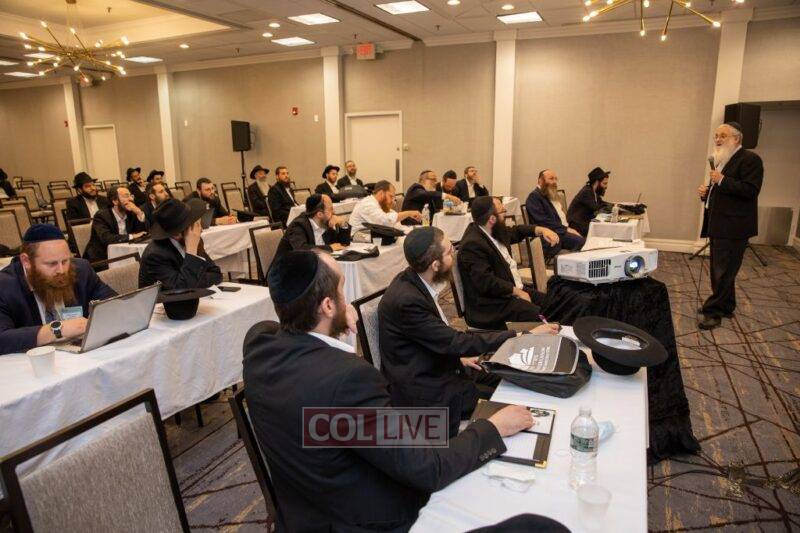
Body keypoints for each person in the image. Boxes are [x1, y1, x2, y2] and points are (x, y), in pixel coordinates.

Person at [243, 249, 534, 531]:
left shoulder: (257, 347)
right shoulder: (348, 378)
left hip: (307, 502)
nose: (348, 303)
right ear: (328, 306)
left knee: (437, 426)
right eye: (343, 290)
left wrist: (335, 320)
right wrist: (492, 428)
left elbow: (267, 329)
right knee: (520, 514)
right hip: (369, 518)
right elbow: (428, 470)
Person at [379, 227, 559, 436]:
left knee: (517, 378)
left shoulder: (414, 279)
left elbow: (433, 338)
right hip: (428, 391)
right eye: (449, 251)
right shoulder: (407, 301)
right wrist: (523, 336)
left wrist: (459, 357)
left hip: (444, 364)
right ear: (435, 265)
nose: (455, 254)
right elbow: (456, 341)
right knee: (515, 403)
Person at [0, 224, 116, 355]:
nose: (61, 270)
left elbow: (114, 304)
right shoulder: (5, 286)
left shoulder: (81, 270)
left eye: (65, 261)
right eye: (51, 264)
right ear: (26, 261)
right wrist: (57, 330)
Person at [697, 122, 764, 330]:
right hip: (719, 224)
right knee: (724, 269)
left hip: (734, 227)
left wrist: (722, 180)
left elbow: (751, 190)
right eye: (716, 136)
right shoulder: (722, 160)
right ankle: (726, 305)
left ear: (736, 139)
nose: (717, 139)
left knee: (722, 271)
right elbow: (722, 192)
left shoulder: (750, 159)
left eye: (723, 136)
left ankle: (713, 311)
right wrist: (706, 193)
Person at [459, 196, 559, 329]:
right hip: (489, 306)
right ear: (492, 219)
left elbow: (517, 231)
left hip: (508, 292)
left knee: (554, 304)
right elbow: (486, 282)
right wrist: (517, 292)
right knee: (540, 314)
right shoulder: (473, 244)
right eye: (503, 211)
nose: (505, 214)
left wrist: (541, 230)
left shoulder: (491, 230)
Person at [138, 198, 223, 290]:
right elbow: (183, 289)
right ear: (177, 233)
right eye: (193, 225)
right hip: (162, 299)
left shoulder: (189, 239)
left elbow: (216, 274)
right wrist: (191, 252)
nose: (200, 229)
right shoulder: (155, 255)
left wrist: (193, 281)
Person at [273, 194, 349, 265]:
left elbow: (342, 244)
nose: (333, 212)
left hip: (313, 266)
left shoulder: (325, 223)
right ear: (320, 214)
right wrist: (329, 248)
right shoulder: (298, 225)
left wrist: (343, 224)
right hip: (288, 270)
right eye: (331, 209)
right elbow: (301, 249)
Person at [525, 169, 585, 257]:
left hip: (559, 231)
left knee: (584, 241)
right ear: (540, 180)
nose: (554, 182)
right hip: (548, 234)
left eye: (555, 179)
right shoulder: (534, 197)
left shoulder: (549, 195)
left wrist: (568, 229)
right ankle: (568, 262)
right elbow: (542, 221)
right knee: (581, 242)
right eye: (551, 179)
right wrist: (566, 229)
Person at [83, 184, 148, 263]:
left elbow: (143, 233)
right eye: (126, 196)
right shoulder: (101, 216)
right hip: (102, 258)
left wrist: (139, 213)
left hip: (126, 253)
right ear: (115, 201)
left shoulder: (131, 213)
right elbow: (107, 238)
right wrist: (131, 236)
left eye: (131, 196)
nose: (131, 199)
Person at [348, 180, 421, 233]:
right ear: (381, 193)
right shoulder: (367, 204)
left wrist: (413, 229)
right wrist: (409, 213)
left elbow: (396, 225)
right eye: (391, 196)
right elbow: (385, 221)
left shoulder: (380, 205)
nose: (392, 201)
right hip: (359, 243)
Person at [567, 167, 612, 238]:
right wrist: (613, 208)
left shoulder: (593, 191)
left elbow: (602, 203)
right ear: (597, 182)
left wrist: (617, 206)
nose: (606, 186)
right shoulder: (586, 192)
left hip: (585, 223)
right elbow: (597, 208)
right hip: (578, 226)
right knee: (607, 232)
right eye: (604, 183)